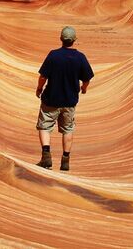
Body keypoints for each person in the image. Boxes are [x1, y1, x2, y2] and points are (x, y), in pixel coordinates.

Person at [35, 26, 94, 171]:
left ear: (61, 39)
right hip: (69, 101)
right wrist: (84, 88)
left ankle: (46, 157)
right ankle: (65, 161)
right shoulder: (80, 57)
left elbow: (43, 76)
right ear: (74, 40)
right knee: (68, 129)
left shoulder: (53, 55)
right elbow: (87, 78)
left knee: (44, 126)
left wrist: (39, 88)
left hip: (51, 99)